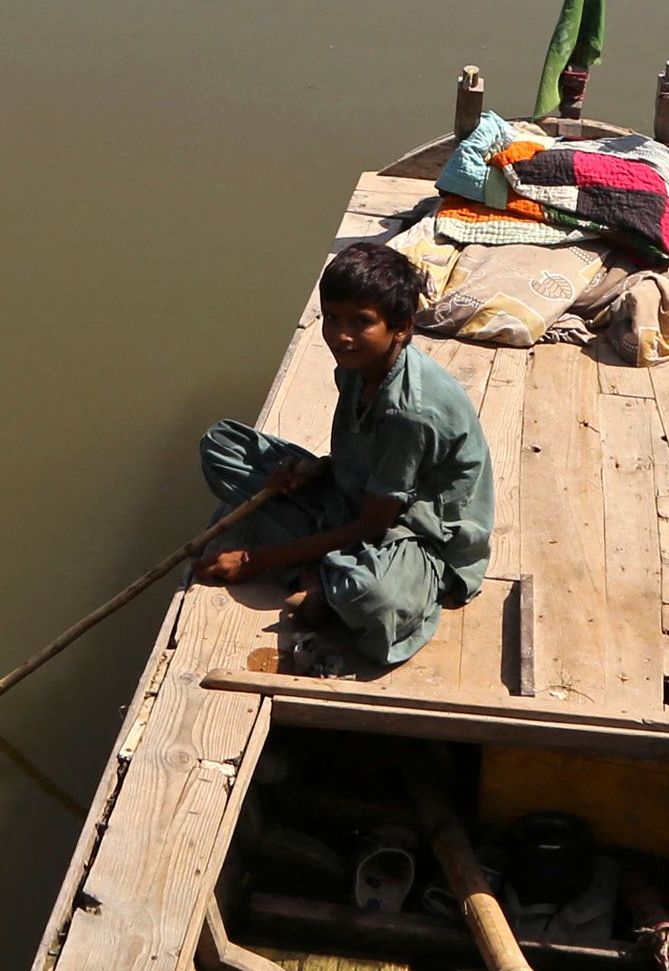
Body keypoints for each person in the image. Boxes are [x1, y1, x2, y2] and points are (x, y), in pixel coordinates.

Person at [195, 239, 494, 672]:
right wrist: (315, 468)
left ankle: (323, 579)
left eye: (361, 322)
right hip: (363, 494)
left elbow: (376, 524)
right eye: (332, 318)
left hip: (413, 530)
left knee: (370, 596)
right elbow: (365, 451)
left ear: (402, 328)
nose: (340, 335)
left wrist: (252, 560)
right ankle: (319, 572)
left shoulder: (410, 412)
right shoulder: (359, 365)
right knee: (222, 445)